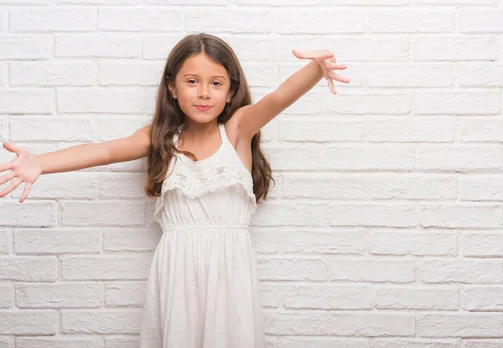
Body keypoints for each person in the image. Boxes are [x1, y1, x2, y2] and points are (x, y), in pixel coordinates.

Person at [0, 33, 349, 347]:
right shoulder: (162, 139)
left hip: (229, 270)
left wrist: (317, 69)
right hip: (177, 269)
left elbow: (278, 98)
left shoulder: (239, 130)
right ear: (172, 87)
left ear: (230, 91)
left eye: (216, 83)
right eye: (192, 81)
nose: (203, 92)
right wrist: (41, 162)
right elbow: (105, 150)